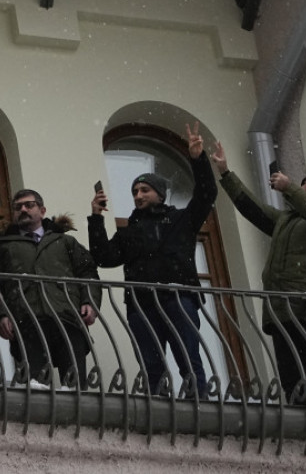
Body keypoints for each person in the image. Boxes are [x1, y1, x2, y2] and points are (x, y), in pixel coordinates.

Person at [211, 144, 306, 404]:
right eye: (303, 184)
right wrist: (225, 172)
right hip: (282, 306)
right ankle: (301, 419)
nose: (304, 188)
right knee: (291, 376)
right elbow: (251, 208)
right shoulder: (285, 220)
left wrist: (290, 188)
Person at [88, 122, 216, 399]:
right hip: (141, 302)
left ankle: (200, 401)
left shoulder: (181, 219)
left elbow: (207, 194)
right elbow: (103, 257)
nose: (138, 196)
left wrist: (198, 159)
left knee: (188, 356)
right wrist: (96, 218)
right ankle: (156, 405)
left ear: (160, 193)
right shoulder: (129, 231)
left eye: (144, 190)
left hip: (178, 295)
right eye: (135, 192)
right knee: (150, 363)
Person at [0, 189, 100, 390]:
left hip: (68, 318)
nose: (23, 209)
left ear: (42, 210)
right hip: (26, 321)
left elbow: (88, 273)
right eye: (18, 207)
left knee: (76, 390)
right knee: (36, 390)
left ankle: (74, 422)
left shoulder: (65, 241)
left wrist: (89, 302)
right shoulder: (2, 247)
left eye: (29, 205)